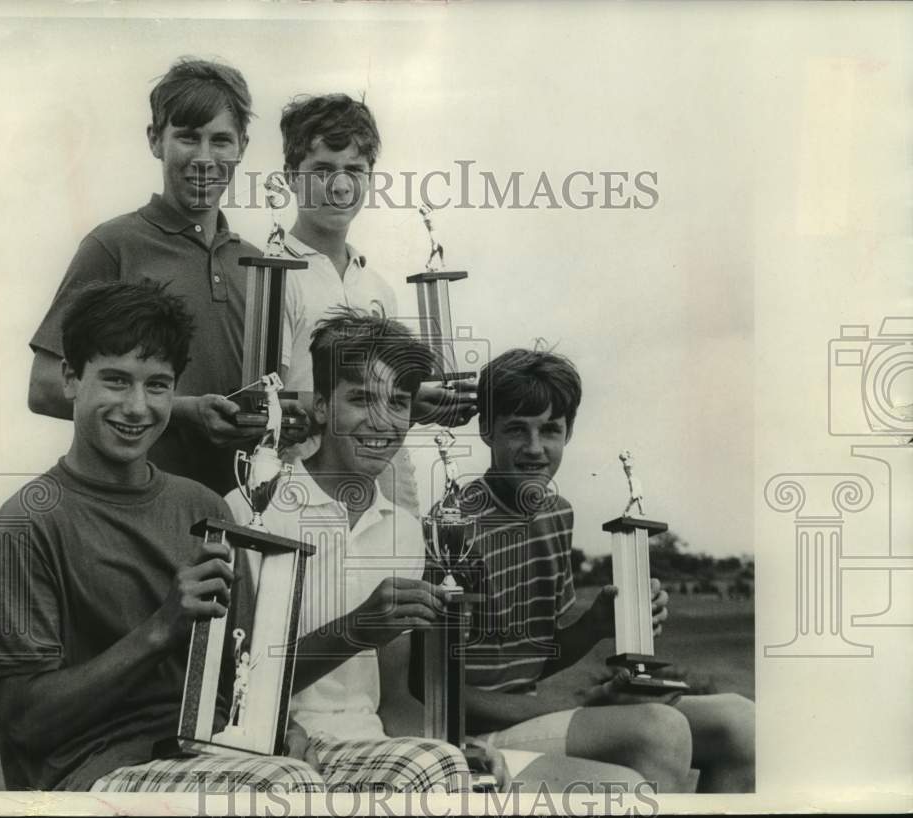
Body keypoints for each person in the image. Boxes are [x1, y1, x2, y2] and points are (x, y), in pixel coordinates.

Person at [227, 309, 647, 792]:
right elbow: (233, 689)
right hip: (286, 750)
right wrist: (355, 629)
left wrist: (454, 748)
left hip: (382, 748)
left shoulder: (402, 531)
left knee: (627, 789)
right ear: (320, 406)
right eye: (362, 399)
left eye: (399, 401)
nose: (382, 421)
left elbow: (395, 704)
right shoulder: (252, 509)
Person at [0, 280, 321, 792]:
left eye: (157, 385)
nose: (137, 407)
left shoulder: (203, 505)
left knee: (430, 765)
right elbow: (24, 726)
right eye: (116, 381)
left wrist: (282, 728)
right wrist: (161, 628)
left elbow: (242, 670)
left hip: (216, 754)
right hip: (93, 777)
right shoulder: (27, 523)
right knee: (285, 786)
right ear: (70, 378)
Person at [454, 347, 756, 793]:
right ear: (486, 431)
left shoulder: (557, 514)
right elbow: (434, 692)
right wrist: (586, 704)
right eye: (516, 429)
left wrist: (597, 625)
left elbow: (533, 659)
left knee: (740, 722)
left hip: (535, 716)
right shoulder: (455, 525)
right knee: (656, 732)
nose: (535, 448)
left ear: (568, 432)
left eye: (550, 430)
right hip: (473, 737)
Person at [27, 57, 280, 495]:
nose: (204, 157)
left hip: (241, 515)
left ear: (242, 147)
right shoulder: (113, 246)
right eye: (187, 137)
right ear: (154, 140)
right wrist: (179, 411)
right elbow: (46, 388)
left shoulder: (259, 264)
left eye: (221, 140)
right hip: (132, 510)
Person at [275, 94, 477, 511]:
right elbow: (267, 399)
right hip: (301, 492)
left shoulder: (377, 287)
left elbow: (384, 407)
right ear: (291, 177)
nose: (341, 185)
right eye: (322, 170)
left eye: (354, 169)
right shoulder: (275, 275)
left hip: (380, 495)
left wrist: (415, 402)